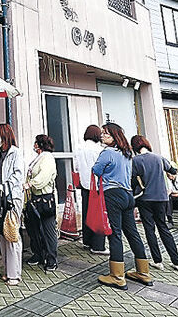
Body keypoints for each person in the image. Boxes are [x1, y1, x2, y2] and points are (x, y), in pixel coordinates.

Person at [93, 123, 152, 290]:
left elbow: (96, 170)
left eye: (105, 134)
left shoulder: (107, 153)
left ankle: (117, 276)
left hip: (113, 194)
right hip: (128, 195)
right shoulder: (127, 153)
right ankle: (143, 272)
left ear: (114, 136)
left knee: (115, 234)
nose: (102, 136)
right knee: (132, 233)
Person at [130, 135, 178, 272]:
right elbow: (173, 170)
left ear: (134, 147)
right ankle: (177, 262)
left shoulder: (135, 161)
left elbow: (132, 180)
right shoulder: (159, 158)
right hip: (161, 198)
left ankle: (157, 260)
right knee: (163, 228)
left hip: (145, 198)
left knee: (149, 229)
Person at [0, 123, 25, 286]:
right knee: (2, 234)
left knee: (12, 233)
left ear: (4, 136)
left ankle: (15, 274)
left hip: (12, 197)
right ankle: (7, 270)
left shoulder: (15, 153)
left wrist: (3, 187)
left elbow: (18, 175)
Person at [24, 134, 58, 272]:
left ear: (39, 145)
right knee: (34, 228)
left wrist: (29, 184)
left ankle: (51, 259)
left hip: (45, 198)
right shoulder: (39, 158)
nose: (34, 145)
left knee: (48, 230)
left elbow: (43, 177)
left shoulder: (47, 158)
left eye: (35, 143)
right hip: (35, 198)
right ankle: (38, 254)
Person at [74, 125, 109, 255]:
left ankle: (87, 241)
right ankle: (98, 245)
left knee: (86, 212)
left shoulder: (79, 148)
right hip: (98, 186)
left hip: (84, 184)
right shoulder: (99, 150)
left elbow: (76, 167)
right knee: (99, 214)